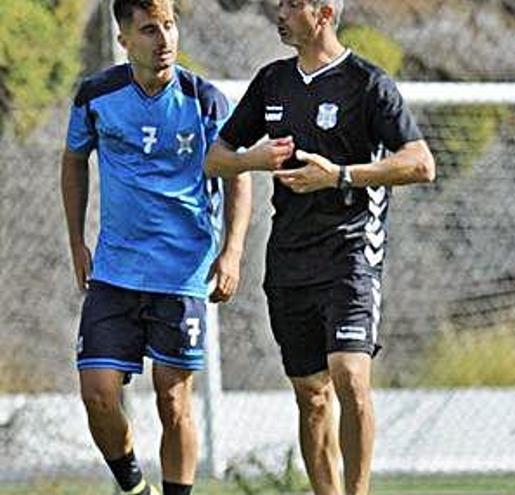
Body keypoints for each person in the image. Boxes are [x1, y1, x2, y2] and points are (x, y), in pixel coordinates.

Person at [205, 0, 435, 493]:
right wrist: (255, 159)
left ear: (324, 13)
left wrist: (341, 176)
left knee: (349, 375)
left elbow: (420, 163)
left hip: (351, 254)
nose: (279, 12)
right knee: (311, 396)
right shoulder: (271, 82)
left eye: (291, 4)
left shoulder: (367, 84)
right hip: (289, 261)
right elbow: (215, 159)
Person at [61, 1, 252, 493]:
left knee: (174, 401)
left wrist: (231, 252)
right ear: (124, 39)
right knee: (98, 395)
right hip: (114, 271)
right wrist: (76, 241)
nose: (164, 39)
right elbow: (74, 160)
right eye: (149, 29)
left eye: (169, 25)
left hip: (182, 273)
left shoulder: (204, 100)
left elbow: (237, 176)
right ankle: (133, 486)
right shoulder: (97, 96)